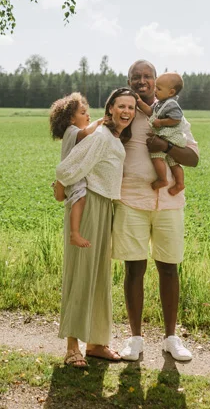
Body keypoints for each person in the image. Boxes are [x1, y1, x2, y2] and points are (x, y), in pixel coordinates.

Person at [115, 61, 200, 363]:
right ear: (129, 81)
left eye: (147, 77)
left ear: (155, 83)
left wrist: (166, 144)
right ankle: (135, 339)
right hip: (131, 201)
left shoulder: (173, 114)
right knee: (134, 268)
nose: (142, 81)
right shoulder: (123, 113)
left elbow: (192, 159)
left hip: (169, 205)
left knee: (169, 267)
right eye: (135, 77)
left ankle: (171, 339)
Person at [52, 87, 137, 368]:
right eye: (121, 106)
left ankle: (97, 343)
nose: (127, 111)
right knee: (82, 273)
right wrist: (61, 188)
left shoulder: (111, 135)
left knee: (99, 276)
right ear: (110, 108)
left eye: (131, 108)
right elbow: (67, 168)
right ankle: (72, 347)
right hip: (90, 209)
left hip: (105, 207)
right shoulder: (100, 136)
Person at [48, 92, 105, 247]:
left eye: (87, 112)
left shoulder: (73, 133)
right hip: (73, 176)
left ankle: (58, 189)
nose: (88, 115)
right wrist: (100, 122)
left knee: (74, 198)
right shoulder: (72, 131)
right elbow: (86, 132)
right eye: (82, 113)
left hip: (73, 174)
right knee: (79, 198)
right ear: (71, 119)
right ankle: (75, 234)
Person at [134, 72, 189, 195]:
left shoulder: (172, 105)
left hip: (171, 136)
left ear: (171, 92)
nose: (155, 91)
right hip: (171, 138)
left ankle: (162, 179)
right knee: (173, 162)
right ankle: (179, 184)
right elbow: (149, 112)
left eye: (158, 89)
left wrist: (161, 122)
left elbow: (176, 119)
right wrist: (139, 102)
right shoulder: (159, 104)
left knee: (156, 156)